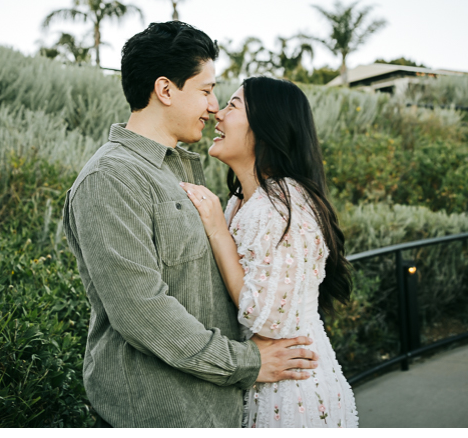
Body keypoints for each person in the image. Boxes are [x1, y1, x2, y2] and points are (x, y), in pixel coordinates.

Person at [62, 23, 319, 428]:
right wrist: (249, 362)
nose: (215, 106)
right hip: (162, 415)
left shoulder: (183, 172)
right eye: (205, 90)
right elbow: (144, 313)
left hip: (216, 410)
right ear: (165, 90)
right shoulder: (110, 179)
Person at [181, 76, 358, 428]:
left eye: (233, 105)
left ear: (267, 126)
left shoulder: (282, 205)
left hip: (292, 393)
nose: (218, 112)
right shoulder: (243, 202)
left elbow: (267, 318)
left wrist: (217, 230)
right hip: (261, 376)